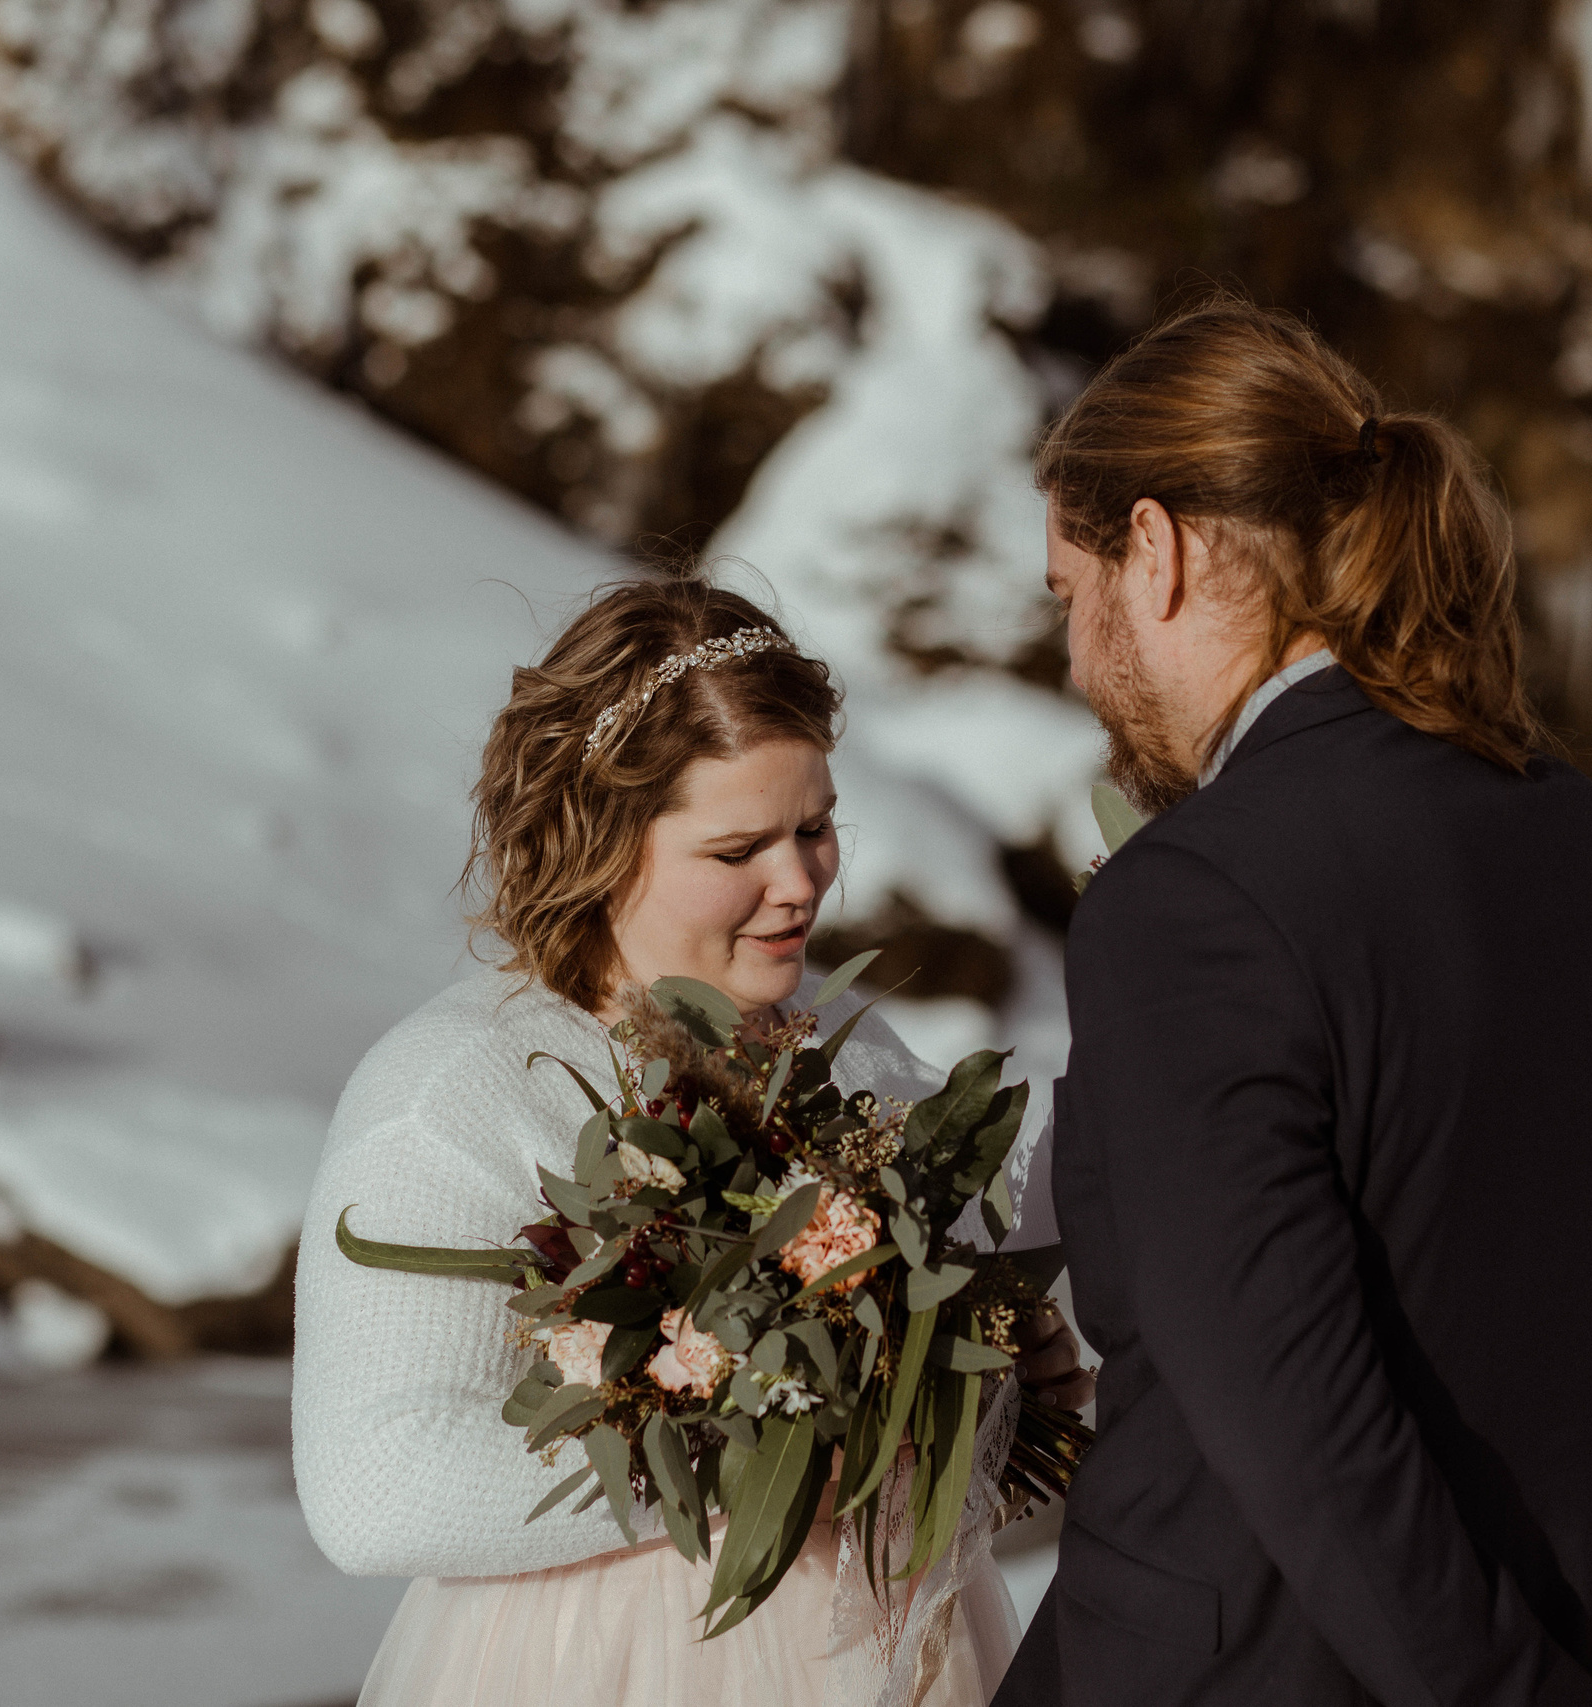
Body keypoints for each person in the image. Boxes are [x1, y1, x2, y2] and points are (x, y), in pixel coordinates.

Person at [992, 301, 1592, 1707]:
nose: (1080, 660)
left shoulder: (1192, 895)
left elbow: (1284, 1399)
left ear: (1161, 547)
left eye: (1072, 594)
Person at [293, 580, 1083, 1707]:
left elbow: (914, 1416)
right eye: (738, 849)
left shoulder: (856, 1053)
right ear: (599, 843)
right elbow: (371, 1489)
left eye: (815, 827)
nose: (801, 881)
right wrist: (746, 1467)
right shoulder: (456, 1089)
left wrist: (999, 1394)